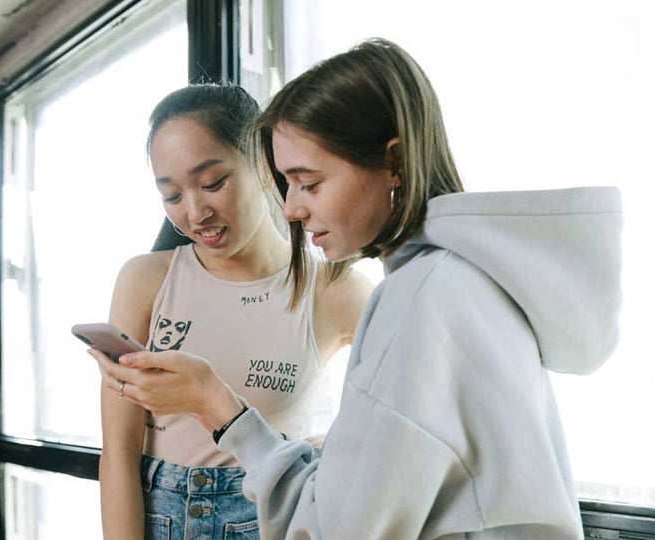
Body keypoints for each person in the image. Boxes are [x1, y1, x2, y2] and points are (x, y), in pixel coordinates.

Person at [98, 40, 622, 539]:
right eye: (170, 194)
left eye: (309, 181)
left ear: (393, 163)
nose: (293, 208)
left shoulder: (414, 300)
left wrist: (218, 404)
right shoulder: (471, 285)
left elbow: (332, 528)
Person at [90, 84, 371, 539]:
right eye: (172, 195)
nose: (195, 212)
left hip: (266, 520)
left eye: (212, 183)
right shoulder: (146, 280)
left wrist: (324, 456)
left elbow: (407, 420)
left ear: (264, 165)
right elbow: (118, 455)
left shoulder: (336, 291)